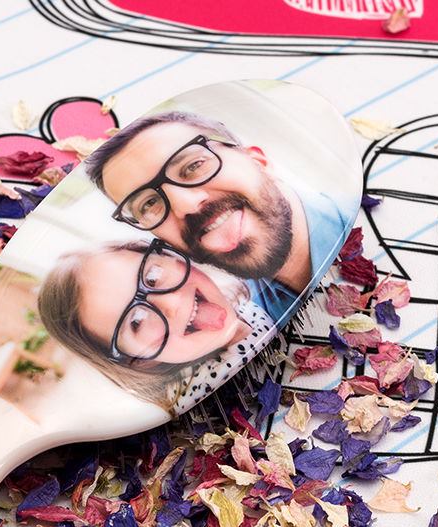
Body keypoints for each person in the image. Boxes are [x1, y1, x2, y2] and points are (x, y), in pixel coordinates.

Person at [85, 110, 353, 322]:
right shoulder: (253, 328)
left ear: (258, 162)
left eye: (193, 165)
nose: (185, 206)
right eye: (149, 204)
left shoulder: (363, 213)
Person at [37, 238, 274, 412]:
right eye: (136, 322)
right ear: (139, 361)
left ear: (168, 254)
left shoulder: (251, 288)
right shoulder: (222, 397)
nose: (171, 303)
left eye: (151, 277)